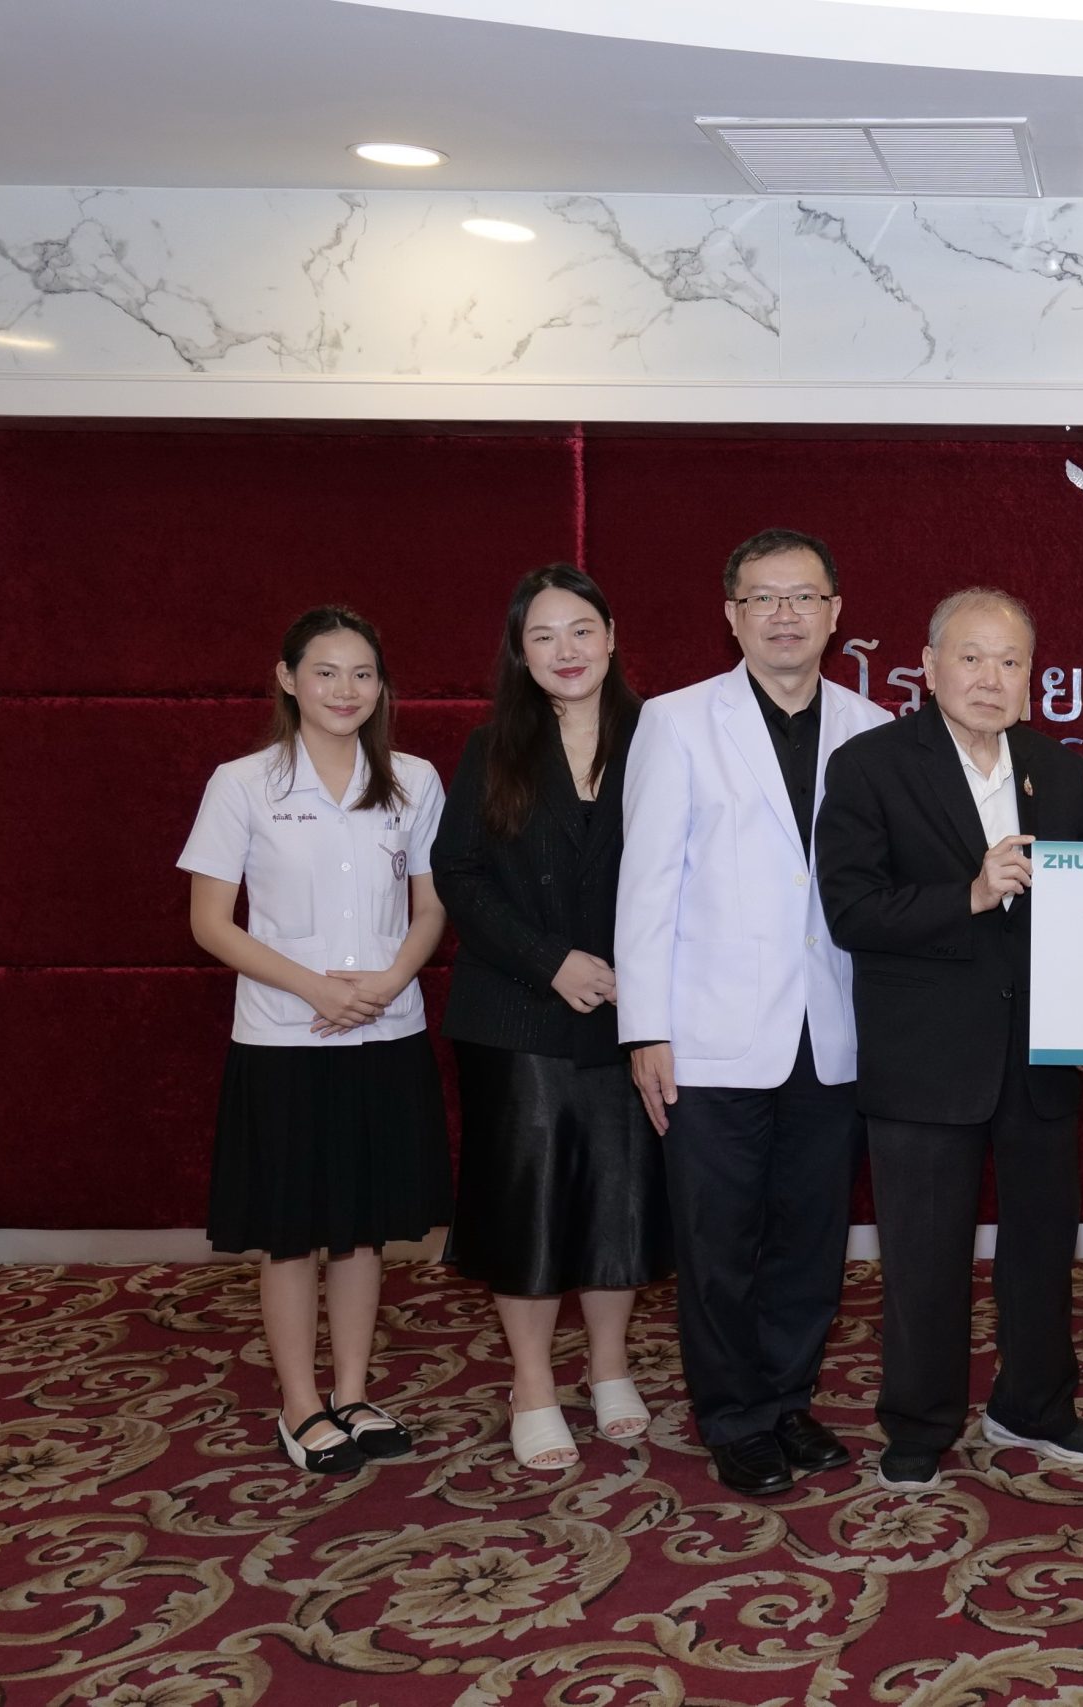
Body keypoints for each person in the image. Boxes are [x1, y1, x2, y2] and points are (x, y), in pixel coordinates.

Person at [818, 586, 1083, 1493]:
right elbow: (852, 909)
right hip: (924, 1055)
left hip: (1039, 1056)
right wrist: (971, 894)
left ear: (1032, 677)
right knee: (923, 1256)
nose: (991, 677)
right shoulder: (870, 765)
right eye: (972, 657)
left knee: (1042, 1246)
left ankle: (1036, 1403)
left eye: (1010, 661)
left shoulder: (1058, 771)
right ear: (929, 666)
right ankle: (918, 1421)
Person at [615, 527, 891, 1498]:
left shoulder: (873, 727)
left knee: (809, 1239)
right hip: (710, 1033)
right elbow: (646, 884)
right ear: (731, 614)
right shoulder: (676, 722)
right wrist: (645, 1027)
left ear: (835, 613)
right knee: (720, 1239)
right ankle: (732, 1415)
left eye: (803, 596)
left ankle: (786, 1398)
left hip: (833, 1031)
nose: (784, 615)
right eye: (762, 598)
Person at [180, 605, 451, 1476]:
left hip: (386, 1029)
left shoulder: (414, 780)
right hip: (283, 1039)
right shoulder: (243, 783)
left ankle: (355, 1390)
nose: (345, 689)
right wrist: (315, 989)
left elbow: (433, 905)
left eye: (363, 673)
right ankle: (300, 1403)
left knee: (365, 1228)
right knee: (292, 1230)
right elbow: (210, 922)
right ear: (287, 678)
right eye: (326, 671)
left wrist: (388, 980)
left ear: (381, 686)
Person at [433, 564, 672, 1472]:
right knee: (527, 1206)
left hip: (631, 1009)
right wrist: (550, 961)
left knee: (619, 1197)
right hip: (517, 1011)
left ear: (611, 637)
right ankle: (531, 1382)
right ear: (520, 653)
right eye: (543, 636)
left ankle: (610, 1366)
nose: (565, 650)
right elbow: (459, 874)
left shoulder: (662, 737)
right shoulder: (492, 746)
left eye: (581, 630)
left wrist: (639, 977)